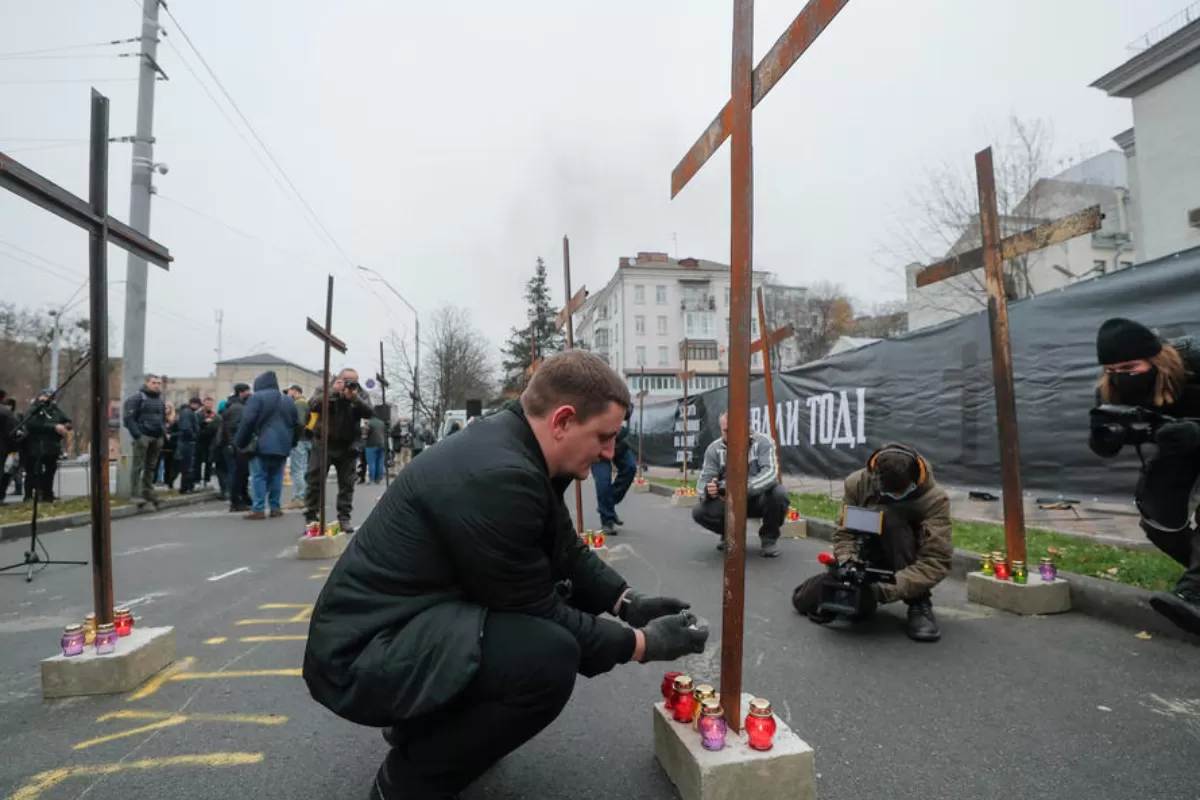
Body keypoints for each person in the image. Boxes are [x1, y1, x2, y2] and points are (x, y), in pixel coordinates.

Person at [303, 350, 708, 800]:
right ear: (563, 420)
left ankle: (423, 727)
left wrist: (627, 601)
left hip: (402, 625)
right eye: (605, 436)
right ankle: (406, 781)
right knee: (545, 657)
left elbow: (564, 549)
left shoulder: (519, 445)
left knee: (536, 629)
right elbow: (542, 610)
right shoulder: (500, 476)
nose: (610, 452)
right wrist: (645, 645)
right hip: (361, 655)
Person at [1089, 318, 1200, 635]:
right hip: (1176, 447)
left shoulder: (1194, 360)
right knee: (1159, 520)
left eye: (1129, 366)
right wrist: (1104, 439)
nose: (1119, 376)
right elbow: (1103, 437)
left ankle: (1194, 592)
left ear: (1155, 359)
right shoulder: (1110, 389)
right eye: (1111, 369)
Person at [790, 444, 952, 642]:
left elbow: (935, 561)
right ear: (875, 477)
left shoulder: (934, 499)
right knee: (803, 600)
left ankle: (919, 603)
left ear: (916, 479)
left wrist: (884, 590)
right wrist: (848, 564)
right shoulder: (857, 484)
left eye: (902, 493)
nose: (896, 497)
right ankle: (855, 591)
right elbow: (845, 534)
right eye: (891, 493)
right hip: (867, 554)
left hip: (906, 554)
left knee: (890, 517)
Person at [691, 410, 789, 558]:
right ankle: (729, 534)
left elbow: (771, 474)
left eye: (735, 430)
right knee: (699, 512)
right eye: (726, 431)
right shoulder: (713, 449)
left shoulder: (763, 442)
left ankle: (769, 538)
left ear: (747, 427)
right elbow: (702, 482)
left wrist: (741, 489)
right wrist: (708, 490)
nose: (730, 435)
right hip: (728, 502)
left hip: (757, 498)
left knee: (779, 494)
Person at [303, 368, 374, 534]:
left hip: (347, 445)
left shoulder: (360, 393)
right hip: (324, 443)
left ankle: (344, 518)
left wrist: (355, 398)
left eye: (353, 380)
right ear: (339, 379)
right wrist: (334, 393)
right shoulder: (326, 389)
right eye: (346, 380)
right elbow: (313, 405)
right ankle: (312, 518)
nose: (350, 384)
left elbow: (369, 412)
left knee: (347, 484)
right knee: (315, 481)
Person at [235, 371, 299, 520]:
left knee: (259, 476)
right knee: (277, 476)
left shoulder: (257, 398)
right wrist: (292, 442)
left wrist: (239, 441)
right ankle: (275, 507)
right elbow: (296, 424)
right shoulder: (288, 400)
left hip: (261, 444)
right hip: (283, 445)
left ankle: (258, 508)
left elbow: (247, 421)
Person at [122, 373, 166, 509]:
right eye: (154, 383)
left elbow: (162, 419)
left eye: (159, 383)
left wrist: (163, 434)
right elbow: (129, 419)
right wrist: (138, 435)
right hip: (143, 436)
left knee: (151, 467)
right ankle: (135, 494)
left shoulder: (160, 400)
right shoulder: (137, 398)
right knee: (138, 466)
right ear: (147, 383)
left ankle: (148, 492)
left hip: (157, 437)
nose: (157, 385)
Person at [591, 405, 637, 535]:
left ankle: (608, 504)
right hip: (599, 442)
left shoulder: (616, 389)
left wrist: (624, 408)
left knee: (630, 468)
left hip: (618, 439)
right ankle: (607, 520)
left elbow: (628, 411)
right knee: (603, 482)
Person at [21, 389, 71, 502]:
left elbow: (67, 420)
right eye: (46, 396)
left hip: (52, 446)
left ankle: (48, 494)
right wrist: (53, 427)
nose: (49, 399)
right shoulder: (34, 409)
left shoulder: (54, 410)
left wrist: (65, 427)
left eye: (51, 397)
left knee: (50, 471)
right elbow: (31, 424)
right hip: (36, 446)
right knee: (34, 472)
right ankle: (31, 495)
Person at [219, 383, 252, 512]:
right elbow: (234, 428)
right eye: (247, 392)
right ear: (242, 393)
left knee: (240, 473)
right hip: (235, 446)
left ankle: (241, 497)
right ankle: (236, 501)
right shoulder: (238, 408)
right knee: (237, 473)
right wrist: (236, 445)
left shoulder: (233, 405)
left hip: (232, 445)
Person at [284, 385, 310, 510]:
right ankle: (304, 496)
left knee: (297, 470)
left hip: (299, 440)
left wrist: (293, 437)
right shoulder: (305, 402)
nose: (288, 395)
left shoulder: (299, 404)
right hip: (306, 439)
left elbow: (299, 422)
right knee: (303, 468)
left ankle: (299, 497)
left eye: (289, 392)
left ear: (295, 391)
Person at [194, 396, 222, 489]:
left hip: (211, 441)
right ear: (204, 403)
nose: (209, 405)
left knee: (209, 461)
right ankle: (197, 480)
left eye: (210, 403)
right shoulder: (198, 414)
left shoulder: (215, 415)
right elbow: (196, 426)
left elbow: (218, 427)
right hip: (199, 441)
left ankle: (207, 480)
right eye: (207, 403)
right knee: (197, 461)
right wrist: (204, 422)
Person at [176, 397, 201, 494]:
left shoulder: (187, 412)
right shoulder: (188, 413)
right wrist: (194, 436)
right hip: (187, 442)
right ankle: (186, 487)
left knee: (187, 465)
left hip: (186, 441)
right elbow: (186, 428)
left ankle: (187, 486)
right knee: (187, 465)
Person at [364, 414, 388, 484]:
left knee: (372, 462)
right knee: (380, 462)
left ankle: (372, 479)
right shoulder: (382, 423)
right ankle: (379, 479)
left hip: (371, 445)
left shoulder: (369, 423)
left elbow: (365, 434)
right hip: (382, 444)